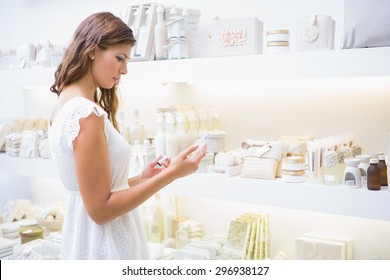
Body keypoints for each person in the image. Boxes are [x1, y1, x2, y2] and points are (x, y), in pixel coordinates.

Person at [48, 12, 206, 260]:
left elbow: (94, 190)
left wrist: (141, 178)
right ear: (91, 50)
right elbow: (101, 210)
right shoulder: (85, 113)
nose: (125, 70)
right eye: (119, 58)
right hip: (108, 245)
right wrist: (172, 173)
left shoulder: (62, 106)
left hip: (85, 241)